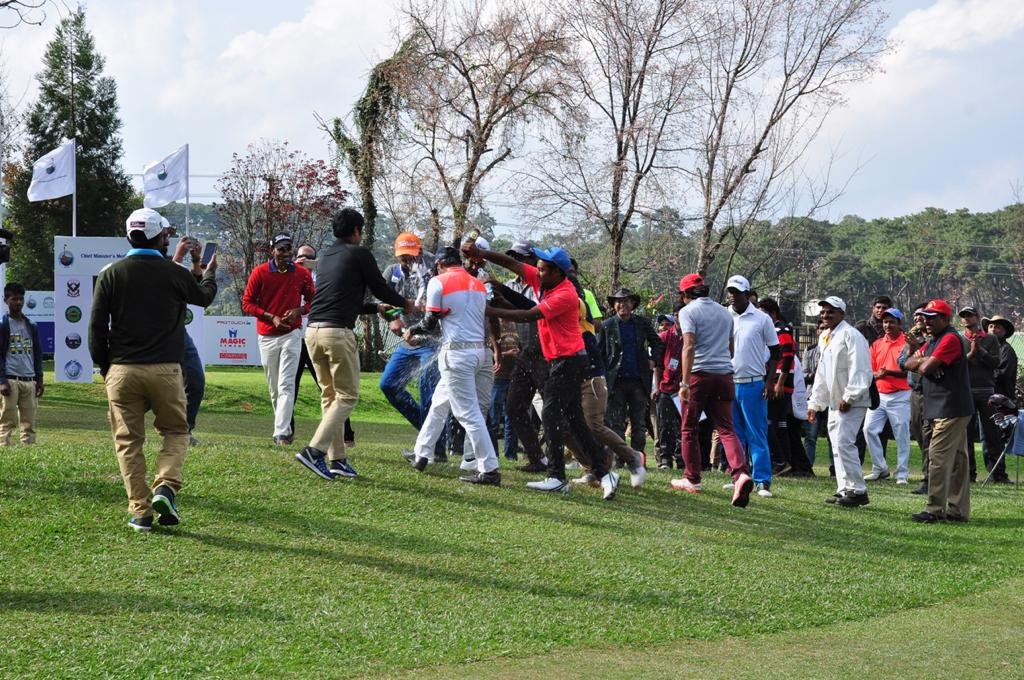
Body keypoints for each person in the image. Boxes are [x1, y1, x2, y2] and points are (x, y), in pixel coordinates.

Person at [89, 208, 217, 531]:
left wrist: (106, 368)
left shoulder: (110, 274)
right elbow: (203, 297)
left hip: (121, 371)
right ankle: (165, 486)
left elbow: (95, 329)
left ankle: (140, 512)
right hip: (165, 371)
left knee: (128, 442)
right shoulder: (173, 274)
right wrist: (208, 271)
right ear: (161, 237)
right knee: (176, 432)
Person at [466, 240, 620, 499]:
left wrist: (488, 308)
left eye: (544, 270)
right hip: (563, 360)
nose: (537, 273)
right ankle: (604, 472)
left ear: (559, 272)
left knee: (550, 413)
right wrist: (482, 254)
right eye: (537, 268)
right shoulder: (545, 281)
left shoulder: (565, 294)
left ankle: (557, 476)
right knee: (574, 419)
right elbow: (512, 263)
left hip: (570, 361)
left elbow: (529, 316)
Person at [294, 208, 413, 480]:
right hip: (337, 334)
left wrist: (376, 308)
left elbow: (342, 300)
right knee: (347, 396)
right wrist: (405, 304)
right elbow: (380, 286)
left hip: (312, 332)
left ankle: (337, 460)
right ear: (357, 231)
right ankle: (314, 452)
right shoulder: (359, 253)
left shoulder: (325, 256)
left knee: (330, 397)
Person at [404, 246, 501, 485]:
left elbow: (429, 323)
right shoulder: (477, 283)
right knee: (439, 403)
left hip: (457, 354)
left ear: (439, 264)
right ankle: (422, 453)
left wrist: (412, 329)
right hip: (479, 352)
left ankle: (489, 468)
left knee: (468, 413)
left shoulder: (438, 282)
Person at [673, 273, 754, 507]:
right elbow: (730, 349)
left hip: (699, 375)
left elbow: (688, 347)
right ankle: (740, 474)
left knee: (689, 428)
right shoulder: (724, 312)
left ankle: (692, 478)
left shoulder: (688, 312)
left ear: (684, 294)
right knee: (727, 429)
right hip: (725, 375)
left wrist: (685, 383)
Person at [241, 232, 315, 446]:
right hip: (266, 335)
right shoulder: (260, 272)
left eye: (288, 248)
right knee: (274, 388)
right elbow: (247, 303)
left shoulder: (301, 273)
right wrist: (270, 317)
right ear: (272, 250)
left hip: (292, 334)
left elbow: (314, 300)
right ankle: (284, 428)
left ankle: (281, 433)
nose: (285, 253)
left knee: (286, 384)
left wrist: (299, 310)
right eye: (281, 249)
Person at [904, 299, 974, 522]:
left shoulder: (950, 338)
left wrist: (926, 362)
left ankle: (935, 510)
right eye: (925, 317)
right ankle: (958, 510)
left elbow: (922, 367)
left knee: (938, 457)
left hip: (950, 407)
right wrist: (927, 360)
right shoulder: (935, 339)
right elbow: (907, 363)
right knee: (958, 460)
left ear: (945, 319)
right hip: (944, 406)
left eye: (932, 318)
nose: (926, 321)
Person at [806, 296, 872, 508]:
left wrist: (849, 396)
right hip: (835, 400)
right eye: (823, 312)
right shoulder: (827, 336)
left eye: (830, 311)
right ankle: (845, 488)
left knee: (844, 443)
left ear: (842, 314)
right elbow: (822, 374)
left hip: (851, 400)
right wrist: (815, 403)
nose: (825, 315)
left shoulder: (852, 335)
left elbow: (861, 368)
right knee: (836, 445)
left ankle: (858, 490)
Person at [289, 244, 357, 448]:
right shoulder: (291, 279)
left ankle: (347, 434)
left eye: (309, 257)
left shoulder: (323, 280)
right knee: (290, 387)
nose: (304, 260)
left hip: (318, 337)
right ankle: (286, 432)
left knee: (334, 389)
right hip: (296, 338)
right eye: (301, 256)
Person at [378, 233, 441, 438]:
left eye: (410, 255)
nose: (406, 260)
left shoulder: (433, 270)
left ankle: (433, 446)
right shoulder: (392, 273)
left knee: (427, 388)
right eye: (402, 256)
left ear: (420, 251)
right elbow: (382, 302)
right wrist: (393, 319)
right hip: (409, 341)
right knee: (388, 384)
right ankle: (427, 431)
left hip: (434, 340)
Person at [726, 274, 780, 498]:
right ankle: (740, 477)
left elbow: (776, 352)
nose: (732, 296)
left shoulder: (761, 318)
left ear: (747, 294)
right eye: (730, 291)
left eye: (737, 292)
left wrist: (769, 381)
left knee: (756, 433)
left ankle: (762, 480)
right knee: (735, 434)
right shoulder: (723, 315)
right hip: (729, 382)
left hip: (753, 383)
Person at [601, 287, 664, 457]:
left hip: (639, 380)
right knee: (616, 423)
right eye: (619, 301)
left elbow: (657, 343)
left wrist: (653, 359)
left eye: (627, 301)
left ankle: (637, 456)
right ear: (614, 305)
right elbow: (599, 352)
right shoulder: (607, 326)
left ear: (633, 304)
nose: (623, 304)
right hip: (615, 381)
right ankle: (621, 457)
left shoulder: (642, 323)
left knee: (639, 423)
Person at [757, 297, 812, 476]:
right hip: (776, 381)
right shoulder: (771, 329)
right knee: (780, 424)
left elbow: (787, 356)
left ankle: (780, 461)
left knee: (771, 423)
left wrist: (779, 383)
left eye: (762, 313)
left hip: (780, 383)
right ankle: (787, 463)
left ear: (772, 313)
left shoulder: (782, 329)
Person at [862, 308, 917, 485]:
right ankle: (880, 468)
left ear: (899, 323)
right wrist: (877, 375)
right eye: (885, 322)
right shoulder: (877, 344)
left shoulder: (907, 343)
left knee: (901, 434)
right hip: (879, 395)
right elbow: (870, 369)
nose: (887, 325)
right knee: (868, 429)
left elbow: (909, 371)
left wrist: (887, 373)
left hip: (901, 395)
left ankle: (902, 474)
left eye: (892, 321)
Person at [169, 233, 208, 446]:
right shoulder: (153, 264)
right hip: (156, 334)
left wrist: (195, 261)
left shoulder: (174, 267)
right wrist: (178, 256)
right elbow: (165, 276)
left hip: (178, 332)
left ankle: (184, 431)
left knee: (195, 381)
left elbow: (195, 288)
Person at [957, 306, 1003, 483]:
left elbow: (995, 363)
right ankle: (969, 474)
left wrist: (981, 351)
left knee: (992, 434)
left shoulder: (991, 339)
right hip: (965, 391)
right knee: (966, 435)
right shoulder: (959, 340)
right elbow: (957, 365)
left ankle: (996, 474)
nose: (967, 319)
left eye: (970, 315)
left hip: (986, 392)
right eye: (964, 316)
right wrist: (971, 353)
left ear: (977, 317)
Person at [0, 282, 44, 446]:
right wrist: (2, 381)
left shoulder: (31, 325)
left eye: (21, 299)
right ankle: (3, 448)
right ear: (6, 300)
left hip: (29, 380)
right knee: (7, 419)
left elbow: (37, 354)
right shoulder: (3, 325)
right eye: (14, 299)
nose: (18, 302)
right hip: (10, 380)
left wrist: (39, 379)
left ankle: (28, 450)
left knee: (29, 421)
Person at [653, 313, 683, 470]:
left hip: (685, 388)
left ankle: (681, 459)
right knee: (665, 425)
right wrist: (657, 387)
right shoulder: (664, 337)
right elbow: (658, 364)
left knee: (684, 426)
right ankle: (665, 459)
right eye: (677, 315)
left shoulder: (692, 335)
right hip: (666, 387)